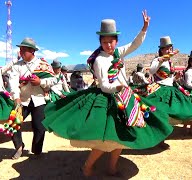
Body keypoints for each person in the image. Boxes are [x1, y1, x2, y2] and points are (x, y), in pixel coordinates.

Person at [43, 11, 173, 177]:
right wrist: (118, 88)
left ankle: (111, 167)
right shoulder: (100, 60)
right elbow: (104, 85)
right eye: (105, 42)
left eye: (111, 41)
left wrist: (144, 28)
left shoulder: (118, 53)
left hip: (125, 97)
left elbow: (134, 44)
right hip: (108, 99)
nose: (109, 45)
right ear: (100, 42)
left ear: (116, 41)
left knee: (120, 136)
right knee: (104, 139)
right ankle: (87, 167)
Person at [9, 38, 56, 159]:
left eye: (23, 50)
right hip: (22, 100)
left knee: (39, 127)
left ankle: (36, 151)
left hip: (39, 100)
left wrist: (41, 81)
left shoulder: (43, 65)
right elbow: (13, 82)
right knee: (14, 123)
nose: (21, 53)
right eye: (20, 50)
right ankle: (19, 146)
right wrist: (16, 98)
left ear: (32, 51)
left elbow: (53, 80)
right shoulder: (17, 66)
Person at [146, 36, 192, 139]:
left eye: (170, 48)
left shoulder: (169, 62)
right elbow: (151, 71)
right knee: (159, 113)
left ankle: (181, 128)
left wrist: (175, 78)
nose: (169, 50)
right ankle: (159, 139)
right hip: (159, 90)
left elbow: (169, 80)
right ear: (162, 49)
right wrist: (160, 60)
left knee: (184, 108)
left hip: (169, 89)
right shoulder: (157, 60)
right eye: (167, 48)